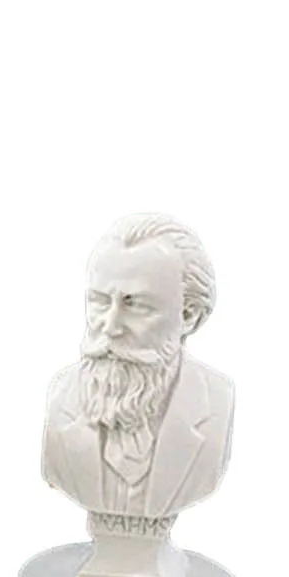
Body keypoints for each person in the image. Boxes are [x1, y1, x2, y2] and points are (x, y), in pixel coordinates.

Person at [41, 213, 233, 522]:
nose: (110, 326)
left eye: (136, 305)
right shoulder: (62, 397)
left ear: (188, 316)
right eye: (100, 301)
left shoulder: (215, 404)